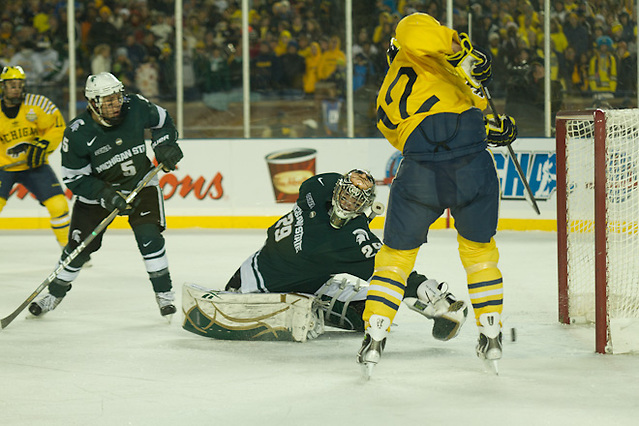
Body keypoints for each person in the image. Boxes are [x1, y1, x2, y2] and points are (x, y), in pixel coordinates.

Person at [358, 12, 518, 372]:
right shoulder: (426, 51)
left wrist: (489, 130)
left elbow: (419, 136)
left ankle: (375, 335)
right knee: (480, 255)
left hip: (420, 173)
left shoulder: (385, 97)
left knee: (395, 260)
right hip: (471, 167)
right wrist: (463, 51)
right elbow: (415, 28)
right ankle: (491, 334)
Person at [225, 169, 467, 338]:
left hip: (309, 281)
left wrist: (433, 297)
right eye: (346, 196)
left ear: (364, 207)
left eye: (356, 201)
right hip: (257, 276)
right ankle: (295, 302)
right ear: (336, 190)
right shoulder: (318, 188)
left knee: (367, 312)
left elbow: (391, 271)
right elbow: (314, 208)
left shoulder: (355, 239)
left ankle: (311, 303)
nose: (348, 203)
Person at [28, 72, 184, 318]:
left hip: (140, 184)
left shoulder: (136, 106)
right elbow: (74, 178)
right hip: (99, 194)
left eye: (117, 97)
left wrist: (164, 145)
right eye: (108, 101)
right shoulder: (77, 133)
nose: (116, 104)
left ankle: (164, 295)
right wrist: (105, 194)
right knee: (79, 248)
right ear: (92, 103)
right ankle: (54, 294)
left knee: (149, 237)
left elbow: (163, 121)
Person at [0, 65, 69, 249]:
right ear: (3, 87)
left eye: (19, 84)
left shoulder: (38, 104)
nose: (16, 88)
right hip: (4, 168)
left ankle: (69, 250)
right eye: (11, 85)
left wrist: (45, 144)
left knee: (59, 206)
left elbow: (58, 127)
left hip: (35, 164)